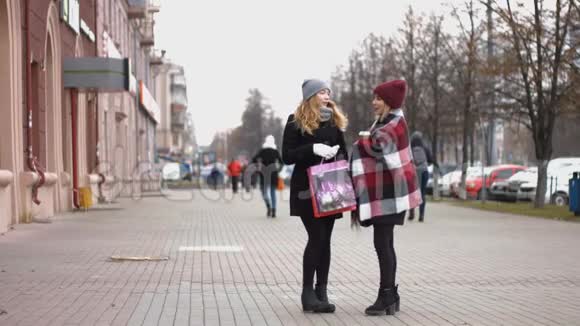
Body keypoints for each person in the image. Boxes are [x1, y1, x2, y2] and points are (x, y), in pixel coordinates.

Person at [350, 79, 422, 316]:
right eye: (374, 98)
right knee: (384, 244)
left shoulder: (395, 123)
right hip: (385, 194)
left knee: (383, 244)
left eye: (378, 99)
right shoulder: (385, 122)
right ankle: (389, 295)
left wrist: (360, 142)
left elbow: (379, 145)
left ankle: (387, 294)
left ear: (389, 102)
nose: (374, 102)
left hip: (390, 194)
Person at [282, 79, 348, 313]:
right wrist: (312, 149)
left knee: (326, 240)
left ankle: (322, 291)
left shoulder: (334, 121)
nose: (327, 95)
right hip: (305, 189)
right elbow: (287, 156)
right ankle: (307, 292)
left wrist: (337, 155)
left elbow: (344, 154)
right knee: (316, 237)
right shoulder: (295, 121)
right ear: (310, 96)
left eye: (328, 91)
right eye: (322, 91)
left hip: (330, 187)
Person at [252, 135, 283, 218]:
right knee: (273, 192)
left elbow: (254, 159)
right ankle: (274, 210)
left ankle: (268, 206)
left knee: (264, 192)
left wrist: (258, 167)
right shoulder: (275, 151)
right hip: (273, 173)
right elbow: (281, 162)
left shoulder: (262, 151)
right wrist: (278, 170)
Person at [408, 131, 435, 222]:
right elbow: (431, 161)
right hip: (424, 171)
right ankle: (421, 215)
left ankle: (411, 213)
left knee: (412, 192)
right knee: (422, 193)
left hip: (413, 173)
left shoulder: (409, 149)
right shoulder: (425, 148)